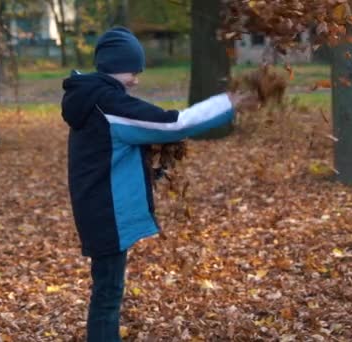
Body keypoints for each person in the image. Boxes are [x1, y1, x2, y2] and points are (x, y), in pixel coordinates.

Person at [61, 27, 257, 341]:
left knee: (108, 292)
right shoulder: (108, 105)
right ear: (113, 66)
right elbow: (173, 124)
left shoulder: (93, 98)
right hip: (105, 214)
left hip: (98, 209)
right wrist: (227, 104)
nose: (136, 78)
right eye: (133, 71)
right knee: (108, 296)